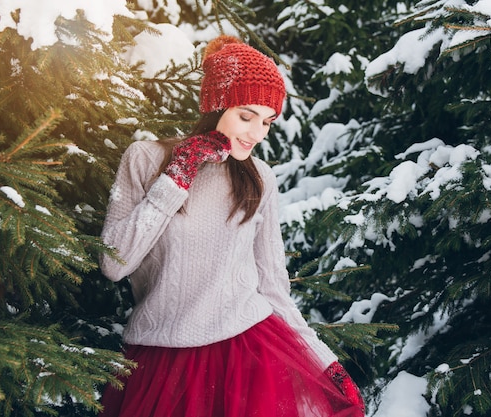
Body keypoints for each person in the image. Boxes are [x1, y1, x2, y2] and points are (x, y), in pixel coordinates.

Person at [98, 35, 365, 417]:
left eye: (267, 122)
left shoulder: (259, 178)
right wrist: (177, 177)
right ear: (215, 104)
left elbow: (274, 288)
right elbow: (114, 264)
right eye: (246, 116)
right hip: (159, 360)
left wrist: (325, 363)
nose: (257, 134)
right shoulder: (146, 159)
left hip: (246, 354)